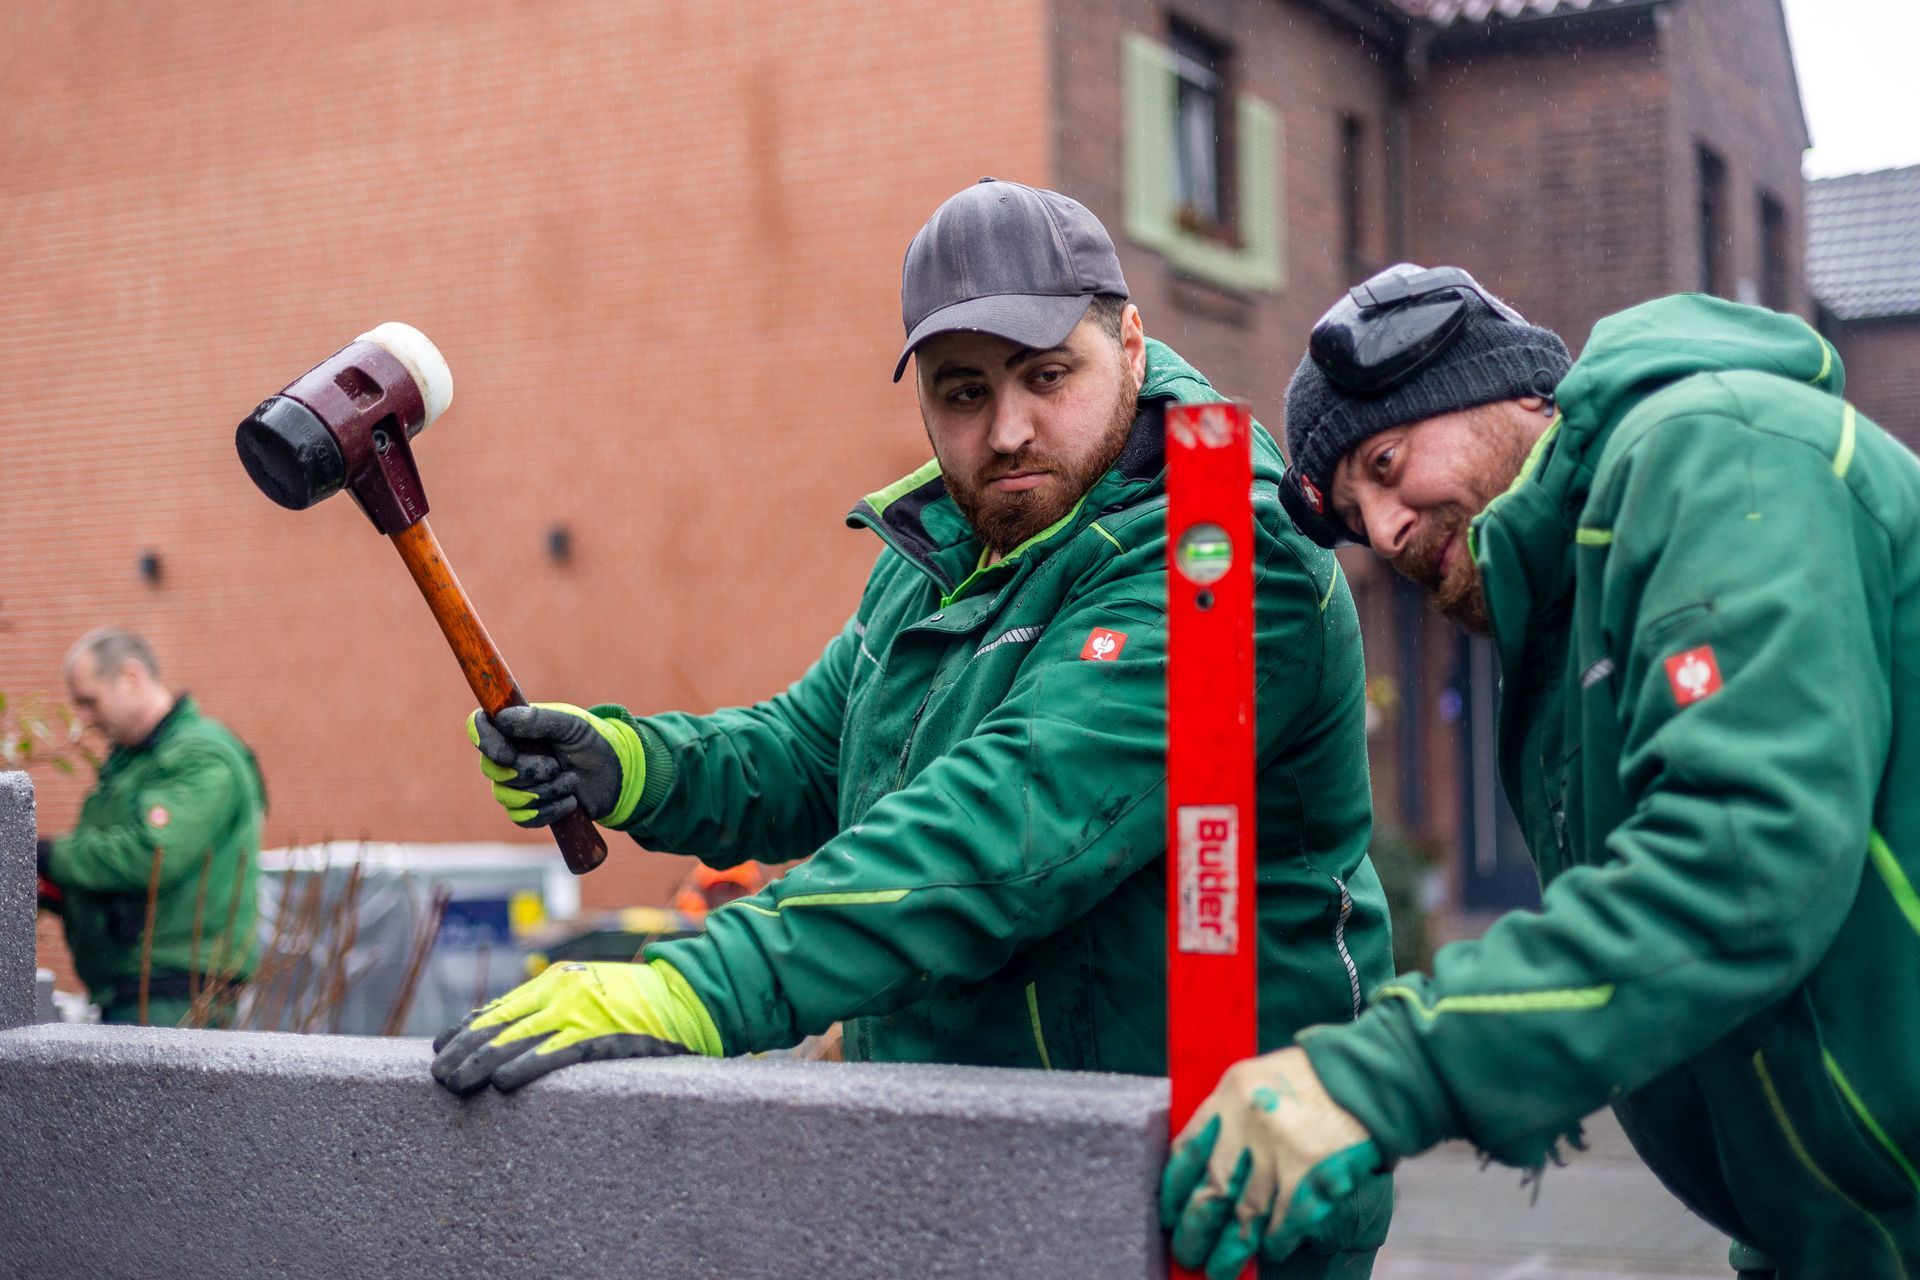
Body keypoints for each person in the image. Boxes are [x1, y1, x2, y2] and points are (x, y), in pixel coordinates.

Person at [433, 178, 1395, 1272]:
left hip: (1204, 1202)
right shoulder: (949, 547)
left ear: (1132, 344)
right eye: (964, 393)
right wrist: (631, 763)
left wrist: (702, 985)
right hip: (977, 1176)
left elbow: (1006, 831)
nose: (1009, 429)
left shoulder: (1223, 551)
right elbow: (807, 751)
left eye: (1047, 376)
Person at [1163, 264, 1920, 1279]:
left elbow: (1744, 867)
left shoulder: (1714, 450)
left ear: (1516, 390)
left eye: (1386, 461)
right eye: (1356, 515)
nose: (1384, 530)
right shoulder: (1556, 640)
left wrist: (1379, 1074)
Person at [37, 628, 265, 1026]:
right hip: (135, 988)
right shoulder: (134, 761)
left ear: (131, 677)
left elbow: (152, 855)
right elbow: (112, 874)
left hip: (173, 993)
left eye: (90, 702)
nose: (85, 720)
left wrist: (46, 855)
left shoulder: (201, 756)